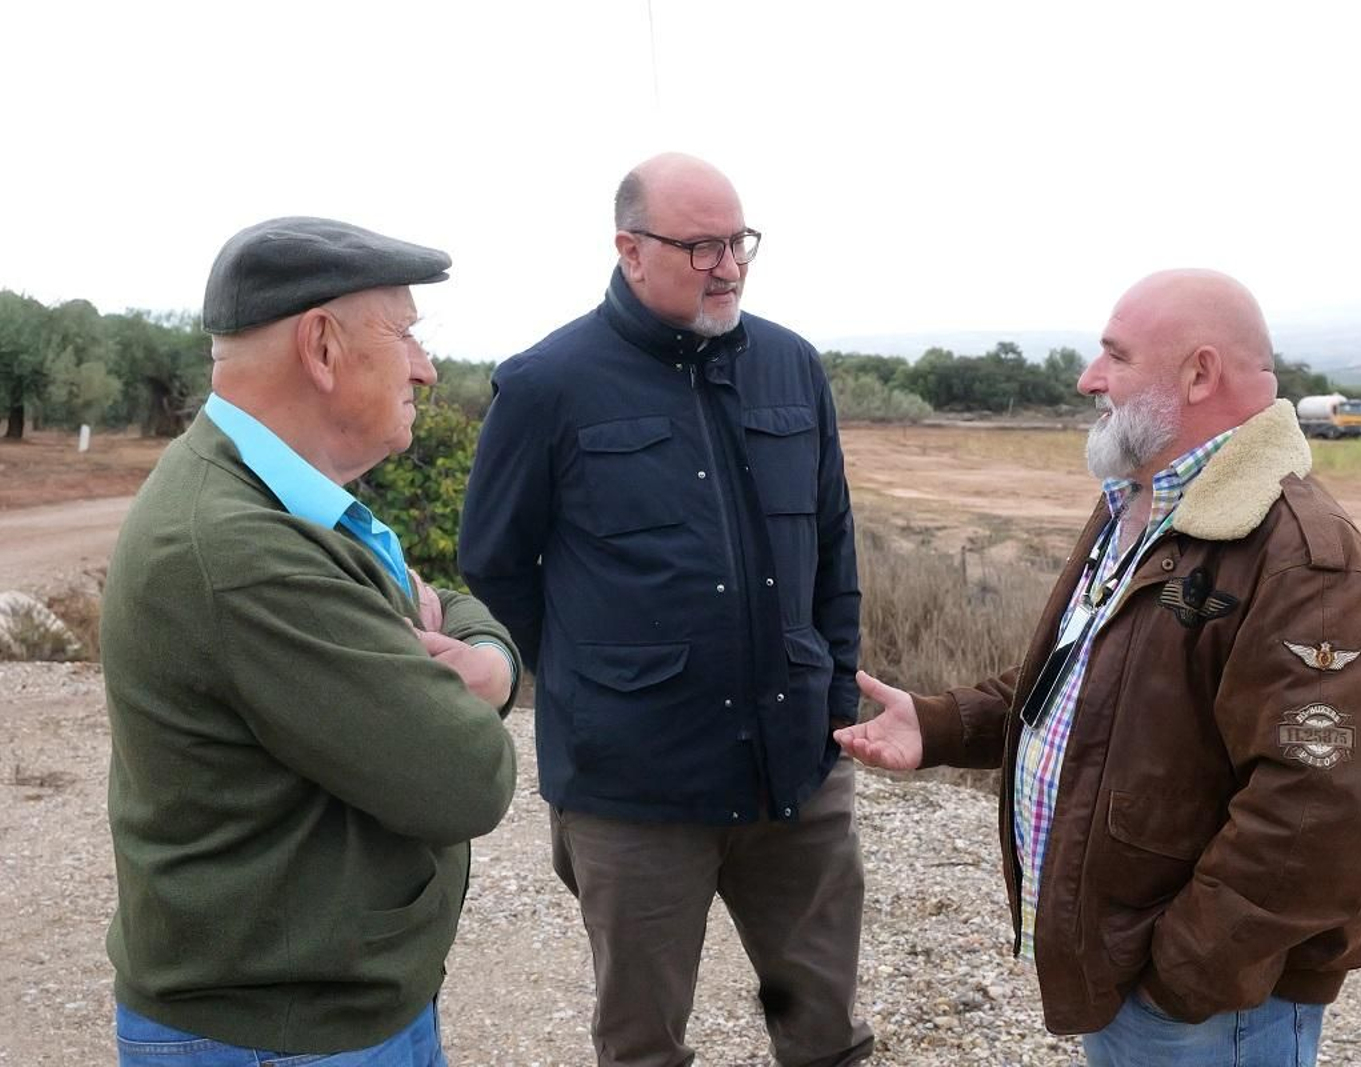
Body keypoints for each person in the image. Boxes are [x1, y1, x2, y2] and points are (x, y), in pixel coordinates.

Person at [835, 269, 1361, 1066]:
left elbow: (1323, 815)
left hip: (1212, 1008)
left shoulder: (1306, 565)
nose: (1088, 379)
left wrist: (1180, 973)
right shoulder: (1140, 506)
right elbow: (1090, 681)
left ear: (1199, 373)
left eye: (1114, 356)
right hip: (1135, 971)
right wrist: (941, 724)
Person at [459, 153, 873, 1067]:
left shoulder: (791, 365)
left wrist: (833, 697)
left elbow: (835, 550)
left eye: (739, 242)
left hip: (793, 771)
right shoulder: (547, 384)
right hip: (634, 788)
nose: (727, 264)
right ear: (630, 249)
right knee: (643, 1043)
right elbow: (494, 560)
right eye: (700, 246)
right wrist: (595, 672)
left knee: (825, 1031)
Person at [101, 217, 521, 1067]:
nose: (426, 367)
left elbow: (442, 604)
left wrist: (487, 662)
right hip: (278, 1039)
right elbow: (466, 777)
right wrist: (477, 685)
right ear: (322, 346)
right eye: (403, 334)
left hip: (312, 1016)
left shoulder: (285, 499)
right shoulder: (240, 547)